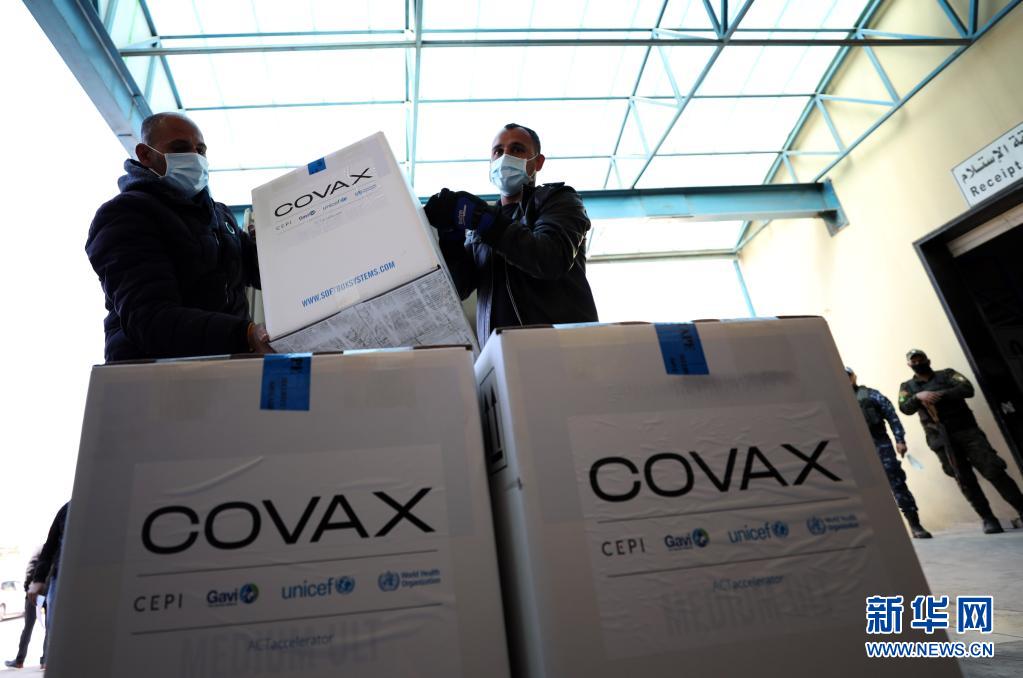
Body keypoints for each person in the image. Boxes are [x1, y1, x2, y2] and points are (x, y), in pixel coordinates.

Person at [86, 112, 272, 361]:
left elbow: (264, 271)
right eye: (180, 148)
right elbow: (151, 319)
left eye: (201, 150)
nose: (195, 157)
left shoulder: (220, 216)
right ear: (146, 155)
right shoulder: (125, 215)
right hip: (154, 374)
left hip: (228, 365)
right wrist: (244, 334)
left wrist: (276, 239)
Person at [424, 123, 598, 346]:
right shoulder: (479, 230)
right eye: (498, 151)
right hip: (500, 353)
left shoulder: (558, 200)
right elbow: (460, 288)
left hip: (562, 349)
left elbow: (550, 258)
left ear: (538, 162)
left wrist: (482, 219)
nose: (505, 156)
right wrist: (451, 239)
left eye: (517, 149)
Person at [898, 350, 1023, 534]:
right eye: (914, 361)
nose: (918, 363)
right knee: (963, 478)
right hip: (940, 438)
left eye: (920, 359)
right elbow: (904, 407)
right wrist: (918, 397)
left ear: (928, 360)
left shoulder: (947, 374)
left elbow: (967, 389)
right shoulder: (907, 386)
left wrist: (938, 394)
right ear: (909, 365)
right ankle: (988, 518)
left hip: (967, 431)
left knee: (993, 469)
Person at [847, 368, 931, 538]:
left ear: (854, 377)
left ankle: (915, 525)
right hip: (853, 450)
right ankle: (878, 530)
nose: (845, 379)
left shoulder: (871, 395)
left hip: (880, 445)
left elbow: (891, 416)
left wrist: (900, 440)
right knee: (863, 490)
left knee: (897, 483)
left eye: (848, 376)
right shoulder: (835, 400)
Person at [27, 502, 68, 671]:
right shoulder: (68, 509)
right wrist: (38, 580)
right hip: (63, 579)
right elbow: (49, 546)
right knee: (57, 635)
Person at [4, 548, 47, 669]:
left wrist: (28, 588)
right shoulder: (57, 548)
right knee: (49, 627)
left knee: (28, 627)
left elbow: (31, 568)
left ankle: (19, 661)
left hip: (35, 592)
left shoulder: (43, 549)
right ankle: (45, 661)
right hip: (48, 591)